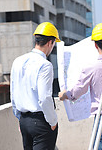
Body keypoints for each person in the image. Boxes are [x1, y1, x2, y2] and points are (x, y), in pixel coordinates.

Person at [10, 22, 61, 150]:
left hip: (24, 120)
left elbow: (13, 93)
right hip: (41, 122)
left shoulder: (18, 61)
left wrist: (20, 118)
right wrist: (53, 121)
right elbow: (44, 98)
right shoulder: (45, 65)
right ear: (50, 42)